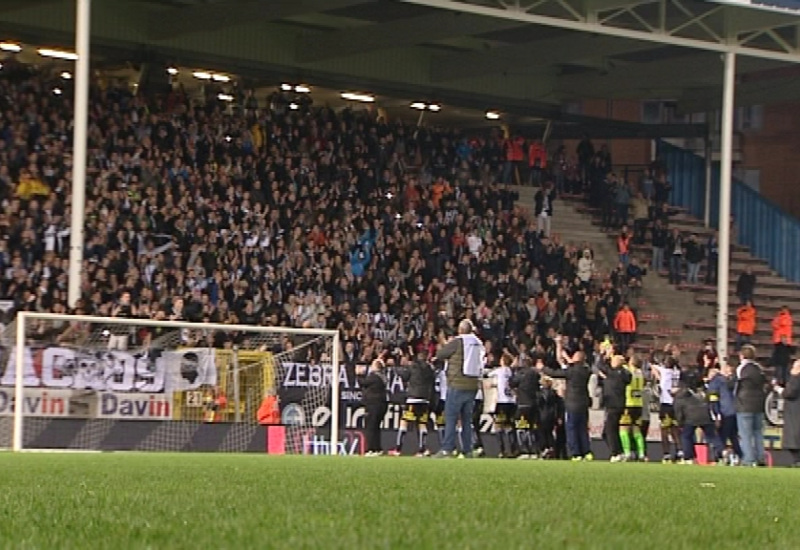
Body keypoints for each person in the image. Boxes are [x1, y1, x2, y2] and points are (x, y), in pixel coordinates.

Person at [433, 319, 485, 459]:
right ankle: (467, 450)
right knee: (467, 420)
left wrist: (444, 343)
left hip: (457, 384)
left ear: (460, 330)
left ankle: (447, 449)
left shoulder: (458, 341)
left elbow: (441, 354)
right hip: (472, 385)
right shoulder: (478, 342)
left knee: (451, 418)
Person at [542, 337, 593, 461]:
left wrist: (542, 368)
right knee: (582, 428)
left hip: (572, 403)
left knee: (571, 428)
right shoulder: (586, 370)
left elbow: (554, 373)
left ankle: (576, 453)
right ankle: (586, 452)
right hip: (584, 403)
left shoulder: (571, 371)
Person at [390, 353, 436, 457]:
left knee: (404, 422)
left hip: (413, 399)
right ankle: (422, 449)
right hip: (425, 400)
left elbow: (404, 376)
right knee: (422, 424)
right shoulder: (429, 369)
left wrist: (395, 366)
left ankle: (398, 448)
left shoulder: (413, 367)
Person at [730, 345, 767, 467]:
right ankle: (761, 457)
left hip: (744, 405)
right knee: (758, 432)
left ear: (742, 356)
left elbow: (734, 386)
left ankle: (749, 459)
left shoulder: (741, 369)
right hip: (759, 404)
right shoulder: (759, 368)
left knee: (745, 434)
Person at [674, 377, 724, 465]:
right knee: (712, 436)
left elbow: (678, 409)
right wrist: (716, 416)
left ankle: (689, 458)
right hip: (705, 416)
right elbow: (714, 403)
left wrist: (680, 422)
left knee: (686, 436)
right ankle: (721, 454)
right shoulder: (707, 391)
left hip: (690, 417)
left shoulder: (681, 394)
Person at [706, 361, 742, 465]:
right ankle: (741, 456)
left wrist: (716, 414)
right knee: (733, 436)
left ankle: (720, 457)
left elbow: (713, 399)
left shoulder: (716, 382)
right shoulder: (731, 382)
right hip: (733, 412)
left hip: (724, 413)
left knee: (721, 436)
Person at [598, 355, 632, 462]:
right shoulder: (624, 374)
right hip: (619, 404)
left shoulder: (614, 373)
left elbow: (600, 365)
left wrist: (604, 355)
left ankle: (615, 453)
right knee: (608, 431)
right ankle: (620, 451)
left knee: (610, 430)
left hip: (612, 405)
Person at [652, 353, 683, 462]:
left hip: (666, 404)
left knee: (664, 430)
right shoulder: (677, 372)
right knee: (675, 430)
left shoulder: (665, 372)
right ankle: (680, 451)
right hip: (676, 405)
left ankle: (666, 454)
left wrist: (657, 373)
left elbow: (653, 366)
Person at [509, 357, 541, 459]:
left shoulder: (521, 373)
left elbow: (512, 383)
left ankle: (524, 450)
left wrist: (512, 369)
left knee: (521, 428)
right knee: (531, 428)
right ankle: (534, 451)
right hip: (533, 404)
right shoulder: (535, 374)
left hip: (523, 404)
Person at [357, 358, 389, 457]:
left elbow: (363, 383)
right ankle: (377, 448)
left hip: (374, 404)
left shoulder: (374, 376)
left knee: (370, 427)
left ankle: (370, 449)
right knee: (376, 427)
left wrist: (358, 374)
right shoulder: (383, 376)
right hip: (381, 404)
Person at [490, 352, 518, 458]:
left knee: (498, 426)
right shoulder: (511, 371)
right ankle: (513, 450)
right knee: (510, 426)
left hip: (502, 402)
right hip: (511, 403)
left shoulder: (499, 371)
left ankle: (502, 450)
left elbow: (487, 375)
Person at [620, 356, 647, 461]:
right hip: (638, 405)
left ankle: (627, 453)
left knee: (623, 429)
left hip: (628, 404)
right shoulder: (641, 373)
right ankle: (641, 454)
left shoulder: (628, 371)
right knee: (636, 430)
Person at [776, 360, 800, 467]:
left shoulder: (796, 379)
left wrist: (779, 389)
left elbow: (789, 392)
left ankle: (797, 461)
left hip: (795, 412)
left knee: (794, 438)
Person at [771, 306, 794, 386]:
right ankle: (779, 381)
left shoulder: (787, 318)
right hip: (779, 341)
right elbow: (774, 325)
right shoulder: (778, 318)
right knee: (780, 365)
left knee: (783, 366)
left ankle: (782, 382)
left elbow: (781, 324)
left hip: (784, 342)